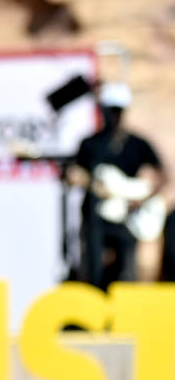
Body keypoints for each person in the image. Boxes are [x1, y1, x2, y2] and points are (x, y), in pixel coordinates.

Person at [68, 82, 168, 290]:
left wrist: (142, 199)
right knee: (93, 270)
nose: (114, 116)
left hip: (126, 218)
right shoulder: (90, 144)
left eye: (117, 110)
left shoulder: (137, 144)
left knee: (126, 273)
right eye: (110, 110)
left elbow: (162, 175)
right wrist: (79, 179)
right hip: (95, 219)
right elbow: (74, 174)